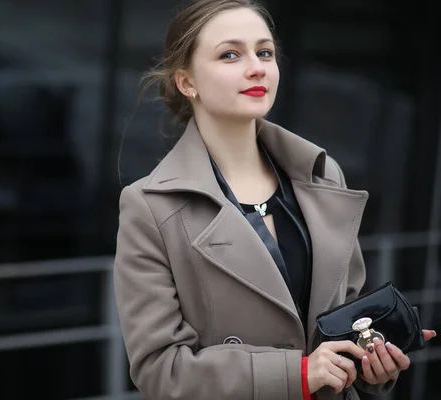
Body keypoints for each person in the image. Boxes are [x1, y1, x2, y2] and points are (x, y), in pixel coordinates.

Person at [112, 1, 436, 399]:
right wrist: (297, 374)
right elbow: (161, 371)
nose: (256, 67)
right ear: (186, 81)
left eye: (264, 52)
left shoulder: (321, 174)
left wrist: (372, 364)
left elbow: (343, 319)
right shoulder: (151, 205)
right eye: (230, 54)